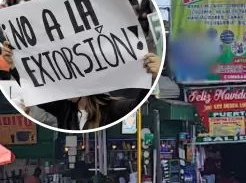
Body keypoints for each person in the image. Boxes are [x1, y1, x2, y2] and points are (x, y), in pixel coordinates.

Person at [2, 41, 161, 130]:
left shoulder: (112, 107)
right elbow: (35, 90)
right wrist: (14, 66)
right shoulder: (64, 108)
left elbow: (137, 104)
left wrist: (153, 78)